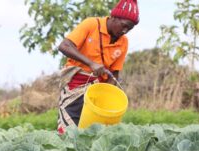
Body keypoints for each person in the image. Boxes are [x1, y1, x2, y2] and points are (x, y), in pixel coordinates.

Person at [57, 0, 139, 134]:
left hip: (98, 90)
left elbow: (115, 72)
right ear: (113, 17)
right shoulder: (91, 24)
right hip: (75, 84)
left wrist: (108, 95)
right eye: (124, 26)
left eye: (129, 29)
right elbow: (64, 46)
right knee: (69, 127)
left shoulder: (123, 42)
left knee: (95, 131)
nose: (125, 31)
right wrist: (90, 63)